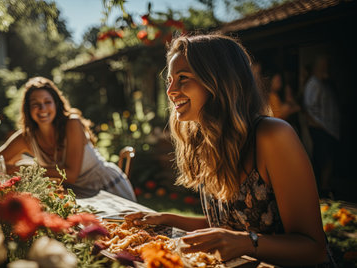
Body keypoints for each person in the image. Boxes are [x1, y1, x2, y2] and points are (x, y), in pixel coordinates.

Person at [125, 34, 332, 266]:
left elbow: (313, 249)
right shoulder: (206, 140)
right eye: (169, 80)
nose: (170, 91)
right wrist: (169, 219)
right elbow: (230, 228)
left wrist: (247, 243)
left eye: (183, 78)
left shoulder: (272, 135)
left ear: (219, 81)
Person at [0, 76, 136, 201]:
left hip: (107, 188)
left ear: (56, 103)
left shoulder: (72, 123)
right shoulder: (26, 137)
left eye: (47, 102)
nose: (42, 108)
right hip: (76, 194)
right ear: (28, 109)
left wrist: (25, 168)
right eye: (35, 104)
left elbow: (70, 175)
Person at [303, 55, 340, 197]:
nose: (327, 68)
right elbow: (309, 109)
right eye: (324, 65)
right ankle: (322, 191)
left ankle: (325, 188)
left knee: (327, 159)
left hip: (328, 129)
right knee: (324, 160)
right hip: (320, 128)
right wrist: (317, 124)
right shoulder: (314, 84)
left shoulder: (324, 83)